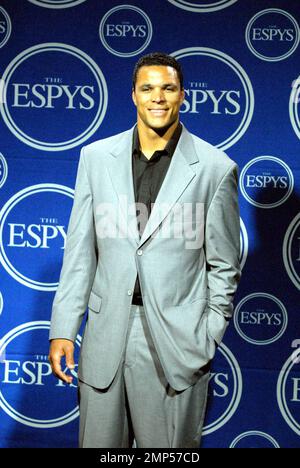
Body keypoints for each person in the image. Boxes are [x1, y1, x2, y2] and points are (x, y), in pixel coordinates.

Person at [48, 52, 241, 448]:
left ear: (182, 96)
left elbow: (223, 264)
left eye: (168, 88)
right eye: (148, 88)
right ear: (133, 95)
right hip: (106, 337)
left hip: (176, 343)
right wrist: (64, 329)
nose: (158, 97)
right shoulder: (96, 158)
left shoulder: (214, 167)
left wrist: (207, 334)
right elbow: (80, 251)